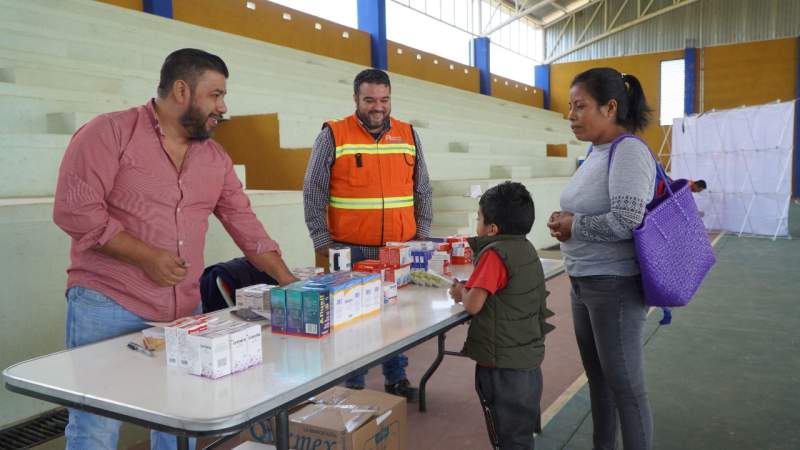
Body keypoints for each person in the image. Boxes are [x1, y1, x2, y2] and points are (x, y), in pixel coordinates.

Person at [53, 48, 298, 450]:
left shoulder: (215, 158)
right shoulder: (109, 133)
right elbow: (74, 211)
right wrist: (146, 257)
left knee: (178, 418)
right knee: (97, 423)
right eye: (215, 95)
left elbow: (244, 223)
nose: (223, 106)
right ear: (182, 91)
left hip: (183, 312)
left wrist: (289, 282)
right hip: (107, 303)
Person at [302, 68, 433, 401]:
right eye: (370, 100)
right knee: (353, 323)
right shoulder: (333, 134)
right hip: (350, 251)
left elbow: (423, 189)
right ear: (356, 99)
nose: (378, 107)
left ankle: (396, 378)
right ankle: (353, 383)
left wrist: (422, 235)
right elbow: (313, 190)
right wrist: (321, 240)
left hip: (398, 248)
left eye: (385, 100)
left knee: (396, 319)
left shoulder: (408, 134)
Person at [547, 67, 656, 450]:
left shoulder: (628, 153)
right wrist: (565, 221)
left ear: (610, 107)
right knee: (599, 379)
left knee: (625, 386)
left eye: (581, 107)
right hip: (585, 281)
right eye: (571, 108)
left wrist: (574, 226)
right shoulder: (597, 151)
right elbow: (590, 209)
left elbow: (628, 221)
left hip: (614, 285)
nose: (572, 116)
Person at [449, 181, 551, 450]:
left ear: (492, 228)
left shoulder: (494, 254)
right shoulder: (526, 249)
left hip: (501, 368)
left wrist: (461, 291)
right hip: (527, 361)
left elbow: (473, 305)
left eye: (479, 218)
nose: (477, 223)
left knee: (507, 438)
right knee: (521, 434)